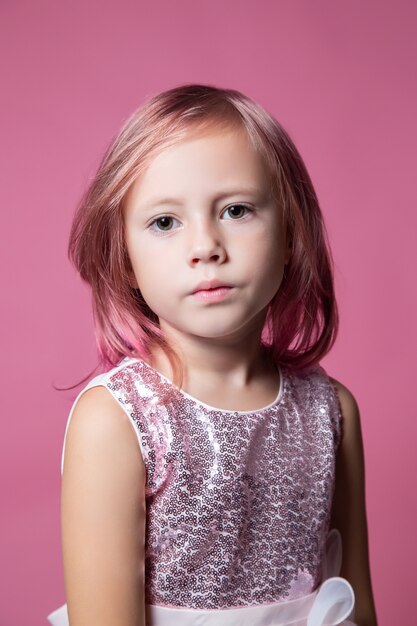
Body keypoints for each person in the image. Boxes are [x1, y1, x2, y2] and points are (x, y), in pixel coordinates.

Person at [47, 84, 377, 626]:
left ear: (292, 233)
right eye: (165, 222)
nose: (205, 246)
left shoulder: (330, 411)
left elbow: (357, 604)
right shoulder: (116, 421)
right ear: (124, 257)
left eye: (237, 209)